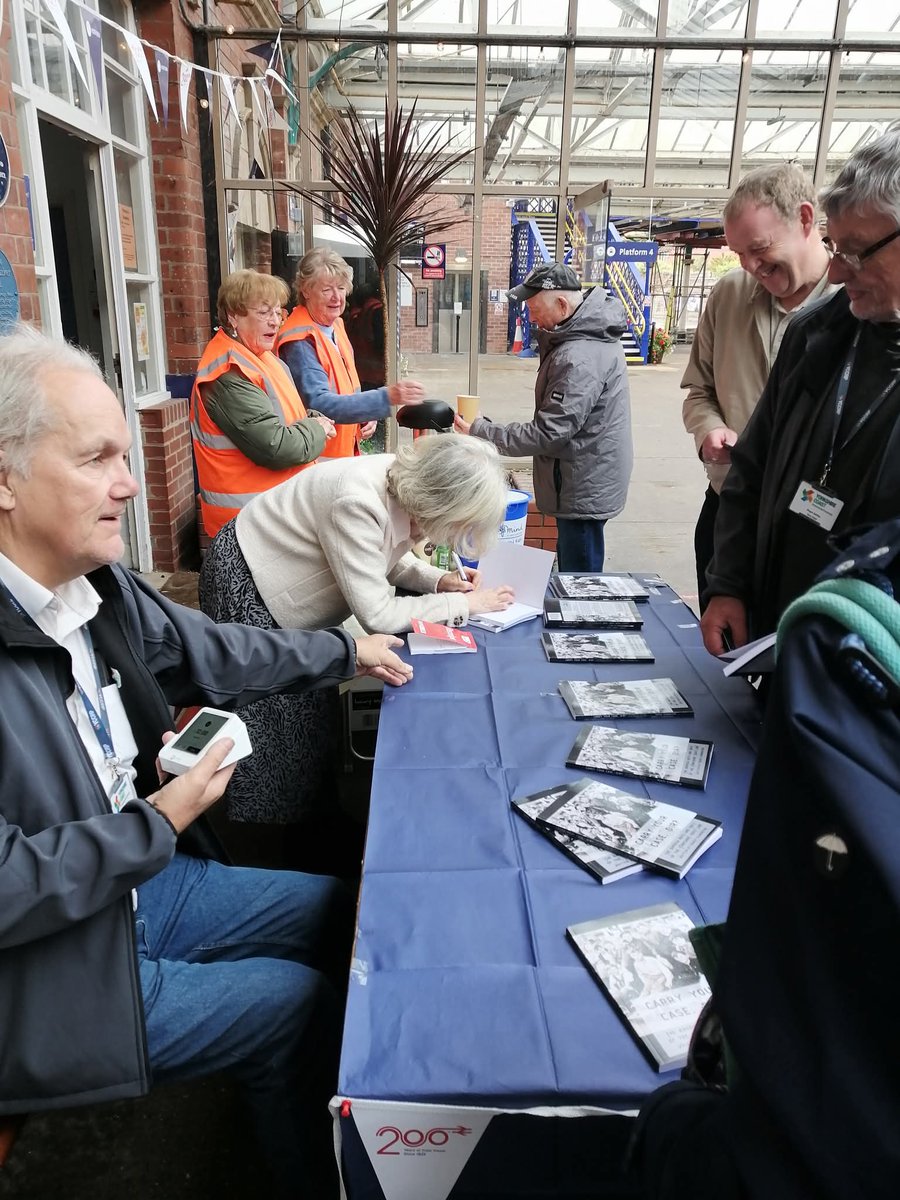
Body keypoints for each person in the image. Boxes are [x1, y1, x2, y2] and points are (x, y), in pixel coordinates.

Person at [0, 326, 412, 1199]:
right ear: (5, 478)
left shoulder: (94, 585)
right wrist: (158, 820)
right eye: (95, 459)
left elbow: (221, 653)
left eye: (122, 454)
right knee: (294, 1007)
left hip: (138, 886)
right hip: (54, 971)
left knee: (344, 907)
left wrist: (346, 652)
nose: (125, 484)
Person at [199, 435, 515, 839]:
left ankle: (315, 818)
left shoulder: (403, 483)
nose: (455, 536)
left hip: (277, 581)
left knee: (312, 711)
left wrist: (439, 581)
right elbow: (378, 615)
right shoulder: (358, 501)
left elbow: (382, 559)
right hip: (247, 582)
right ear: (441, 504)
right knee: (276, 721)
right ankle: (272, 841)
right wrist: (466, 606)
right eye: (460, 525)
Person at [701, 126, 900, 657]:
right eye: (837, 248)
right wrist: (728, 584)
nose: (837, 269)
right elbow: (752, 467)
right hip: (782, 630)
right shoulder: (820, 332)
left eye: (857, 252)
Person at [682, 164, 839, 604]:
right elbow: (698, 390)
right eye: (738, 254)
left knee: (793, 657)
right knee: (724, 651)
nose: (751, 266)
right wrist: (707, 429)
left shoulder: (856, 307)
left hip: (812, 527)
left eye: (760, 248)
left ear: (806, 220)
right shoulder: (729, 296)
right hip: (729, 509)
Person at [454, 262, 633, 572]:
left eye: (535, 309)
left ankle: (580, 621)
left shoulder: (579, 356)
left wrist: (482, 431)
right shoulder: (584, 340)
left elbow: (549, 432)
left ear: (562, 304)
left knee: (581, 583)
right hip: (584, 477)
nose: (531, 317)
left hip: (583, 487)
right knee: (576, 570)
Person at [190, 268, 336, 539]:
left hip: (271, 518)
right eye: (263, 312)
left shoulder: (263, 357)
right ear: (234, 317)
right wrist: (317, 428)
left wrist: (312, 418)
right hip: (245, 529)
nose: (275, 322)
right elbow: (276, 447)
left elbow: (285, 413)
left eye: (278, 312)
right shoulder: (227, 373)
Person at [277, 248, 425, 456]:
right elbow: (320, 404)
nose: (337, 297)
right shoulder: (300, 341)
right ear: (305, 290)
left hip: (341, 451)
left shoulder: (336, 325)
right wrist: (386, 397)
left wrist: (365, 415)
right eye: (327, 289)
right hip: (318, 458)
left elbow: (346, 389)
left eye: (341, 288)